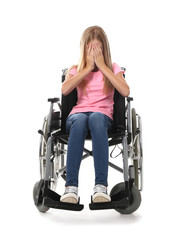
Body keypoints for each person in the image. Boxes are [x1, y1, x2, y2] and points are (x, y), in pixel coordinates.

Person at [60, 25, 130, 204]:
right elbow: (65, 89)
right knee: (83, 118)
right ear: (84, 49)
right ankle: (71, 188)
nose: (93, 52)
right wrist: (88, 67)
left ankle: (101, 186)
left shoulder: (113, 68)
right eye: (90, 48)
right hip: (77, 117)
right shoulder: (75, 69)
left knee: (96, 117)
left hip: (102, 118)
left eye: (97, 49)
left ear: (104, 50)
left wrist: (102, 66)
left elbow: (125, 91)